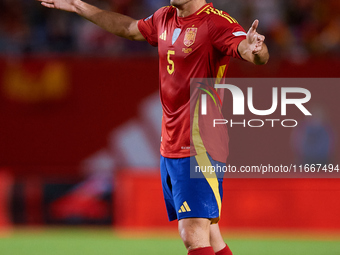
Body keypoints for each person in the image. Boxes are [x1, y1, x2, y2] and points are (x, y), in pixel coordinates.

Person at [38, 0, 269, 254]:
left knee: (193, 233)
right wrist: (79, 6)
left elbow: (249, 50)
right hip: (171, 143)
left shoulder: (215, 22)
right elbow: (128, 28)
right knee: (211, 234)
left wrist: (256, 49)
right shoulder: (165, 17)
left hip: (199, 144)